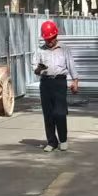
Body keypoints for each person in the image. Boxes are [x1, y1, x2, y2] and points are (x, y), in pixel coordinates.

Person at [33, 20, 78, 151]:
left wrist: (75, 81)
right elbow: (35, 69)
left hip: (59, 82)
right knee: (48, 114)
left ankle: (63, 140)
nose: (49, 42)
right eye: (47, 39)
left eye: (51, 38)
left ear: (56, 36)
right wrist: (39, 69)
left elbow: (71, 65)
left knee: (60, 112)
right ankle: (52, 142)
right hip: (46, 83)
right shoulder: (40, 51)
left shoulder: (64, 49)